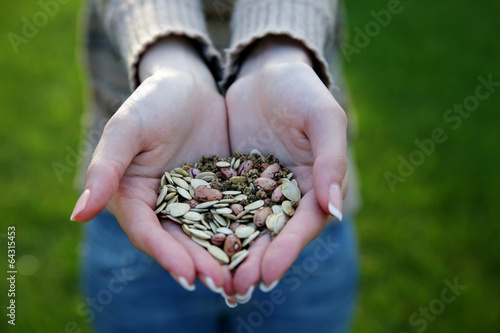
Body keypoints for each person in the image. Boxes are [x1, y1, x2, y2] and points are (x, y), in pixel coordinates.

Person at [71, 0, 360, 332]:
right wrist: (170, 57)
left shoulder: (279, 187)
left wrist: (278, 48)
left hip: (306, 187)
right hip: (139, 191)